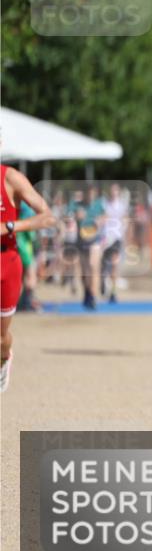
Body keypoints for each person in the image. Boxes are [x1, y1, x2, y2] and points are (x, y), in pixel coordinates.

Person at [1, 164, 56, 391]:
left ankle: (4, 356)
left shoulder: (11, 178)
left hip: (6, 261)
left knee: (1, 336)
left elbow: (48, 218)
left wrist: (10, 226)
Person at [73, 184, 105, 310]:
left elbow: (105, 216)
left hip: (94, 240)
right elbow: (68, 217)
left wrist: (100, 220)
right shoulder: (77, 205)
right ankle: (86, 291)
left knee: (93, 267)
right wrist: (75, 217)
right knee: (84, 271)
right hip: (81, 241)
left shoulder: (98, 205)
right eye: (89, 194)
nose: (91, 196)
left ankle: (93, 296)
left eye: (93, 194)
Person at [100, 183, 127, 303]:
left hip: (116, 238)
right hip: (105, 238)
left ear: (118, 192)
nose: (113, 192)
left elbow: (125, 219)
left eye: (115, 190)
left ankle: (113, 292)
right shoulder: (104, 204)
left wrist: (124, 232)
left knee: (114, 264)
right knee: (104, 265)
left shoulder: (121, 205)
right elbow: (101, 218)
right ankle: (103, 282)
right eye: (111, 190)